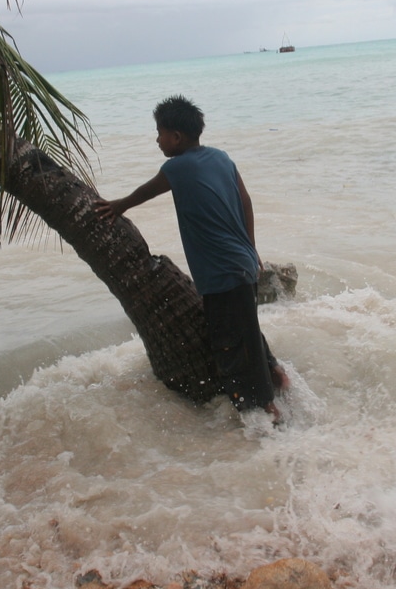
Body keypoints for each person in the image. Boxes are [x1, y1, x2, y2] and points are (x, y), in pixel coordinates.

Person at [95, 95, 288, 422]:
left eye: (160, 132)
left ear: (177, 137)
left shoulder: (177, 167)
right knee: (245, 326)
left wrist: (118, 206)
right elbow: (246, 202)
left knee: (229, 342)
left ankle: (265, 406)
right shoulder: (222, 158)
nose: (157, 139)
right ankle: (277, 375)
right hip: (242, 261)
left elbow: (147, 191)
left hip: (220, 272)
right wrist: (251, 248)